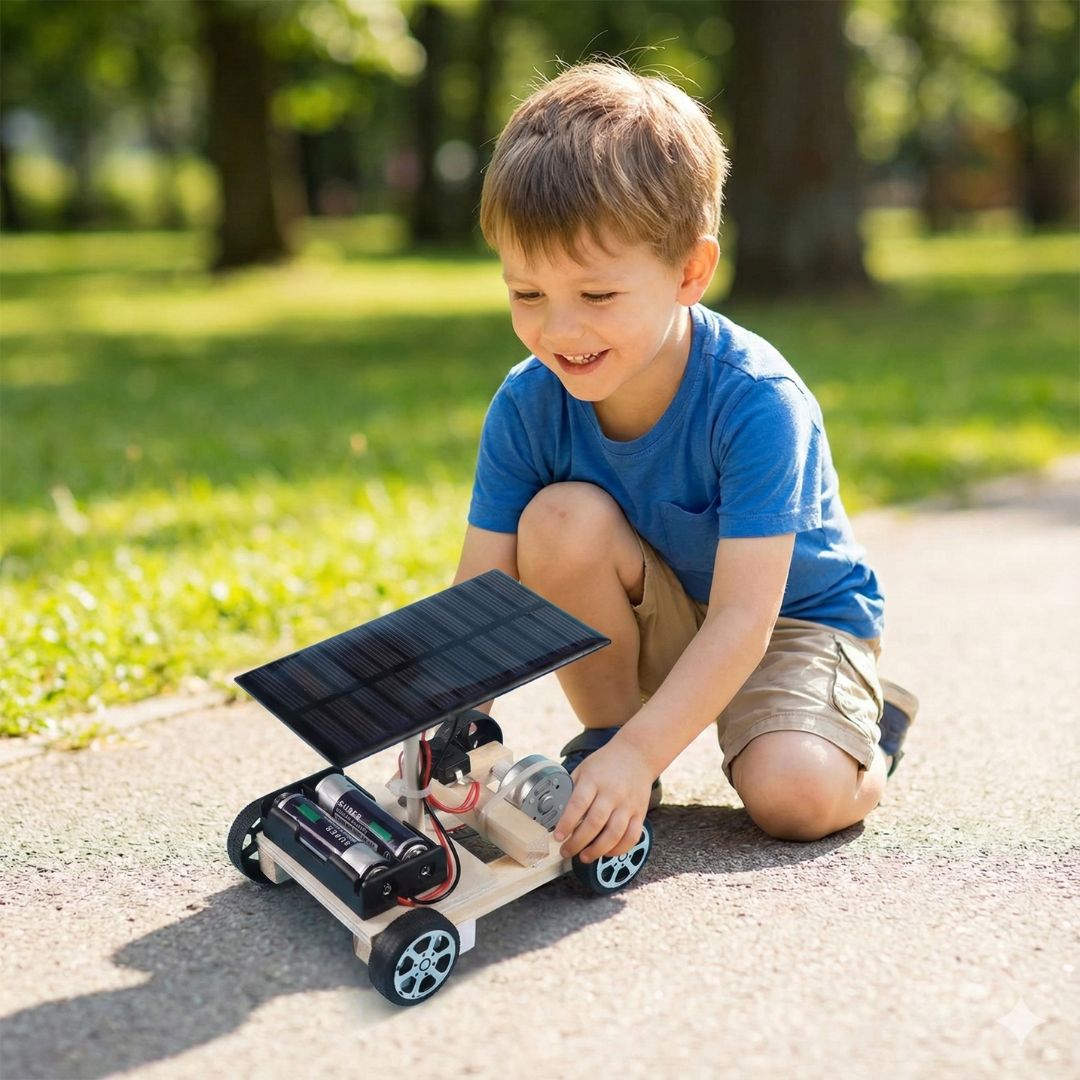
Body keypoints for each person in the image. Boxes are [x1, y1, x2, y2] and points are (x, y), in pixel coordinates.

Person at [452, 61, 917, 866]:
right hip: (658, 614)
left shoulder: (756, 401)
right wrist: (443, 735)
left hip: (785, 624)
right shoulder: (528, 403)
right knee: (557, 522)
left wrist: (644, 752)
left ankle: (867, 734)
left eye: (597, 296)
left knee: (795, 799)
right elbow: (480, 596)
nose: (560, 330)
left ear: (690, 273)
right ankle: (607, 737)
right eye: (527, 295)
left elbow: (744, 619)